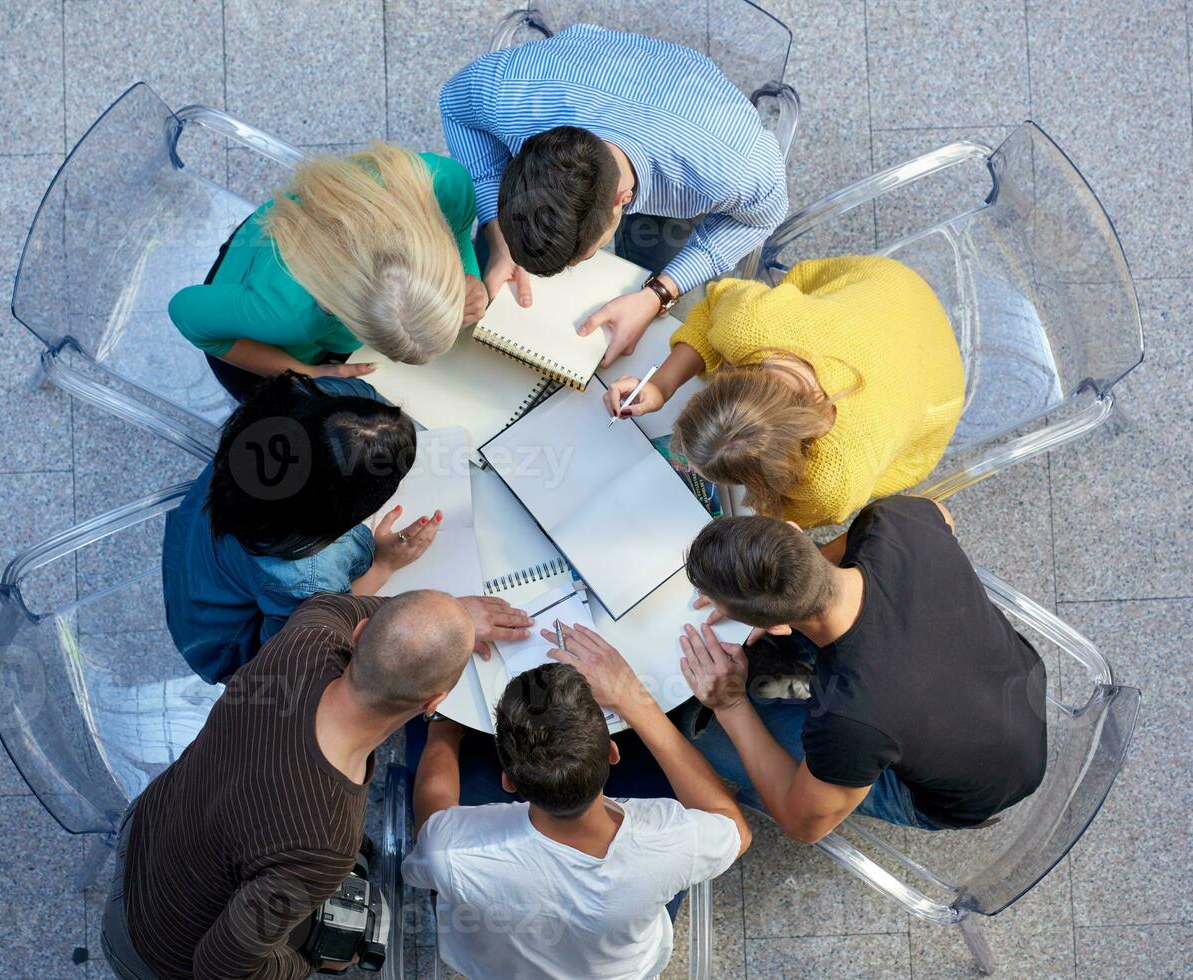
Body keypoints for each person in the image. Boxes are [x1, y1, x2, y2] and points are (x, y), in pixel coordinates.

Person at [100, 588, 530, 980]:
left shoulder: (302, 646)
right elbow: (221, 969)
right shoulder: (321, 843)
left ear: (359, 635)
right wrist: (307, 963)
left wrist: (449, 616)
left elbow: (335, 605)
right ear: (436, 700)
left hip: (146, 827)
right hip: (151, 948)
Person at [678, 497, 1047, 844]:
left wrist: (730, 705)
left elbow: (802, 824)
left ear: (776, 626)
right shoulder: (897, 522)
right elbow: (940, 514)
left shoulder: (849, 721)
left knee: (696, 730)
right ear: (793, 530)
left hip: (967, 791)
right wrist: (788, 582)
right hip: (1017, 694)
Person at [404, 633, 752, 980]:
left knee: (422, 734)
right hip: (624, 968)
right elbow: (736, 830)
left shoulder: (450, 853)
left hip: (494, 968)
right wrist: (635, 702)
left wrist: (442, 729)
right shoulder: (670, 839)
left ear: (507, 781)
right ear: (613, 753)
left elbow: (432, 814)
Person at [439, 24, 788, 367]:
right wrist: (499, 235)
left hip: (690, 122)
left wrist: (658, 295)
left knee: (676, 325)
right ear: (530, 143)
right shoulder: (508, 94)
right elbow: (454, 103)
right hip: (591, 77)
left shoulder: (732, 168)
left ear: (622, 199)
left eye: (583, 258)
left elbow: (765, 216)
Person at [602, 256, 966, 529]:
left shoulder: (831, 482)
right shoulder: (752, 324)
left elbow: (783, 522)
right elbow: (713, 308)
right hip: (890, 292)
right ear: (730, 377)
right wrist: (660, 386)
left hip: (937, 388)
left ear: (769, 480)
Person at [163, 371, 450, 684]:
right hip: (222, 637)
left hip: (194, 546)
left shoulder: (313, 401)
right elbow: (299, 645)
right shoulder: (304, 575)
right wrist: (383, 565)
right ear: (344, 508)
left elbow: (362, 396)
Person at [169, 143, 487, 401]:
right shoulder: (292, 314)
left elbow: (456, 229)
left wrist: (468, 275)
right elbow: (186, 313)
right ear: (344, 316)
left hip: (308, 227)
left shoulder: (444, 185)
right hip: (253, 306)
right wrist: (303, 373)